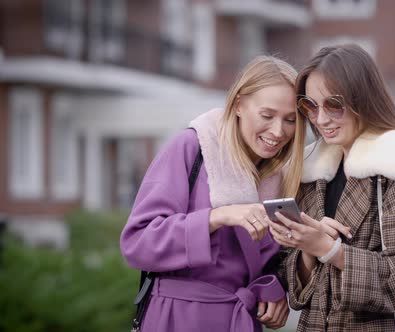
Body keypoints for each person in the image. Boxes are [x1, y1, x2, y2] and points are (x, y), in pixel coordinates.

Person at [268, 44, 395, 331]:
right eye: (310, 106)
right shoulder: (314, 172)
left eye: (333, 105)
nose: (321, 119)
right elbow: (298, 291)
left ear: (362, 99)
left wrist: (329, 249)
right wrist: (307, 249)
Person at [120, 55, 307, 332]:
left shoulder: (283, 176)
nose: (278, 132)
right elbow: (137, 242)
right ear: (240, 104)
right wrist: (217, 217)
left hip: (240, 320)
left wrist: (276, 287)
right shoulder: (193, 147)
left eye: (290, 120)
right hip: (177, 319)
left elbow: (276, 261)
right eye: (267, 115)